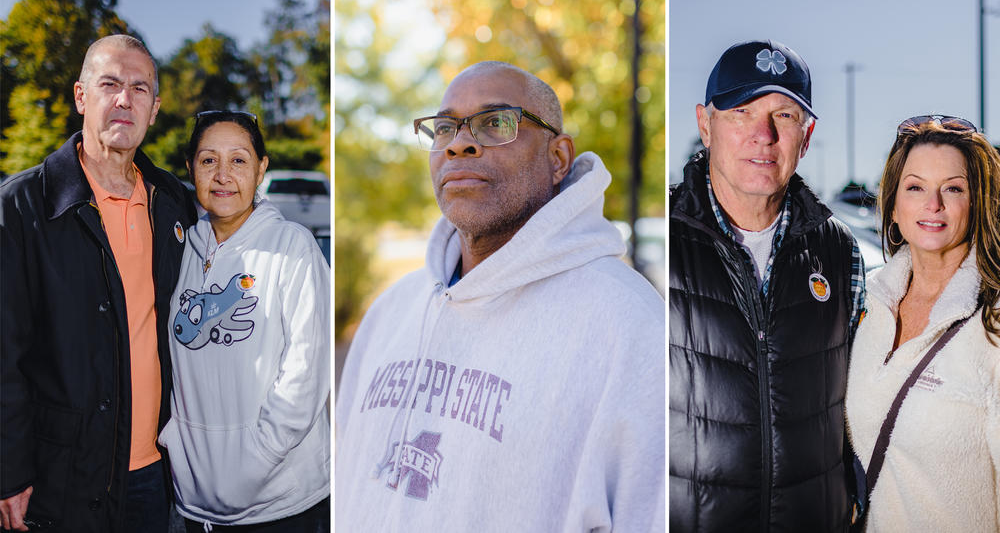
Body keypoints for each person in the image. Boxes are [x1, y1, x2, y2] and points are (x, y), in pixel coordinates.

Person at [335, 61, 665, 531]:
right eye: (445, 127)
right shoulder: (392, 311)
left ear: (558, 158)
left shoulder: (629, 327)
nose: (458, 142)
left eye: (496, 123)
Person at [0, 35, 197, 532]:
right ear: (81, 96)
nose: (125, 99)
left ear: (155, 109)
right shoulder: (20, 207)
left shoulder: (173, 202)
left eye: (140, 88)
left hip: (155, 473)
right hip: (57, 477)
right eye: (110, 83)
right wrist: (8, 469)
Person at [669, 39, 865, 532]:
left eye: (784, 115)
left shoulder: (841, 253)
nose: (763, 135)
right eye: (740, 111)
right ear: (704, 124)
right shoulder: (662, 243)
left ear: (807, 134)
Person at [158, 110, 330, 532]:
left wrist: (254, 462)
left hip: (282, 504)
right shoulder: (179, 252)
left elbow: (307, 373)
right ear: (190, 168)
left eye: (238, 160)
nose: (222, 175)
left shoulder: (294, 247)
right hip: (196, 506)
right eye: (208, 160)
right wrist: (176, 445)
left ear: (261, 168)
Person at [845, 115, 1000, 532]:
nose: (934, 205)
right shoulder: (868, 304)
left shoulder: (994, 324)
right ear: (893, 206)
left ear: (978, 202)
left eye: (953, 188)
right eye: (915, 187)